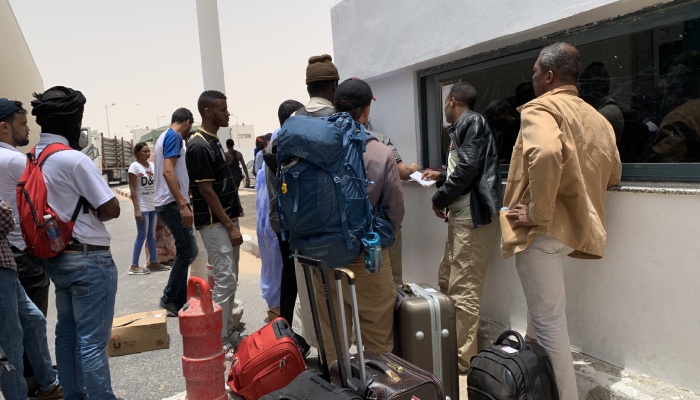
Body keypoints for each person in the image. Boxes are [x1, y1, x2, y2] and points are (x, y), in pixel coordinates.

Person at [502, 43, 621, 399]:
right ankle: (530, 381)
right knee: (540, 317)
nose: (533, 77)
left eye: (536, 71)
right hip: (574, 230)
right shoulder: (597, 118)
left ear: (549, 76)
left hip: (542, 232)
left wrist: (538, 211)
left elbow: (547, 152)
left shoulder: (540, 108)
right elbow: (613, 172)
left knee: (551, 322)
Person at [31, 86, 121, 399]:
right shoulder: (73, 160)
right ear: (73, 120)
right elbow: (112, 207)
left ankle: (73, 395)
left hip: (57, 258)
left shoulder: (33, 158)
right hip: (90, 259)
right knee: (92, 343)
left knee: (66, 336)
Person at [313, 78, 404, 364]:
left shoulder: (314, 147)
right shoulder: (379, 152)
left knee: (334, 337)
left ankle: (337, 390)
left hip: (322, 257)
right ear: (366, 111)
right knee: (376, 338)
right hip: (366, 258)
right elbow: (395, 211)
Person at [421, 82, 502, 374]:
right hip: (461, 217)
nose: (443, 108)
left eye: (445, 103)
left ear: (452, 101)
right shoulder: (463, 127)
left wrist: (440, 197)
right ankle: (449, 346)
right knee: (447, 280)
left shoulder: (473, 122)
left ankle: (460, 360)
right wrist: (441, 174)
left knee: (463, 288)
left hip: (472, 217)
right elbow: (466, 166)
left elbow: (468, 169)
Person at [0, 100, 62, 400]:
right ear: (4, 126)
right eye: (23, 125)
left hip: (9, 257)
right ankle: (32, 385)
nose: (27, 130)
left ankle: (44, 382)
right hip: (20, 250)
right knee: (13, 336)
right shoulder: (13, 161)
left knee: (31, 320)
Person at [187, 90, 243, 351]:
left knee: (231, 278)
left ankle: (227, 330)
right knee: (225, 279)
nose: (227, 112)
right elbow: (206, 191)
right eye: (222, 109)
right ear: (208, 112)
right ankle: (216, 339)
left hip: (227, 220)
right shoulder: (198, 145)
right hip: (214, 223)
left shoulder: (213, 141)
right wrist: (229, 226)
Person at [154, 108, 197, 317]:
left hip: (168, 201)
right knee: (188, 250)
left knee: (185, 250)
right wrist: (182, 204)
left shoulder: (163, 136)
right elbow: (168, 170)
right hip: (171, 202)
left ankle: (178, 300)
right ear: (187, 122)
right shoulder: (174, 137)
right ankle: (169, 298)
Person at [127, 142, 167, 275]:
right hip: (143, 207)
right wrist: (136, 209)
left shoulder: (152, 166)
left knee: (151, 236)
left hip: (153, 206)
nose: (147, 154)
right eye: (144, 151)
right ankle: (134, 265)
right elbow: (132, 188)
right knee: (141, 235)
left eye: (148, 151)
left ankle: (153, 262)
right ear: (137, 153)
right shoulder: (134, 167)